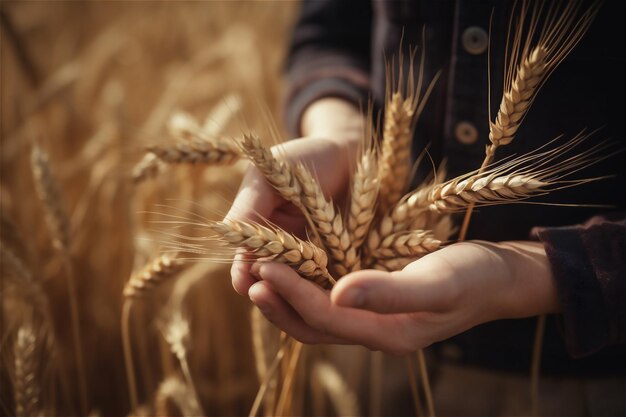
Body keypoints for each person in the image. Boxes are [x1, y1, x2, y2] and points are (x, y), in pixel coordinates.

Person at [227, 1, 625, 415]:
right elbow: (330, 31)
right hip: (369, 352)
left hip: (576, 387)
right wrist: (342, 132)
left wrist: (525, 275)